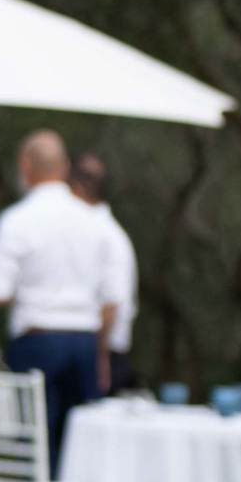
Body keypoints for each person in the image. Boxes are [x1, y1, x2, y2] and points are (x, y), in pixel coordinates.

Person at [0, 131, 119, 457]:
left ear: (26, 167)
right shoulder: (94, 222)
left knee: (39, 448)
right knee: (84, 449)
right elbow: (111, 298)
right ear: (65, 167)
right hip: (84, 343)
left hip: (37, 342)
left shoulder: (16, 221)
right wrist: (101, 354)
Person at [69, 153, 140, 396]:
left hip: (104, 355)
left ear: (77, 188)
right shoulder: (98, 232)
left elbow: (112, 303)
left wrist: (99, 358)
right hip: (96, 351)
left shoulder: (106, 236)